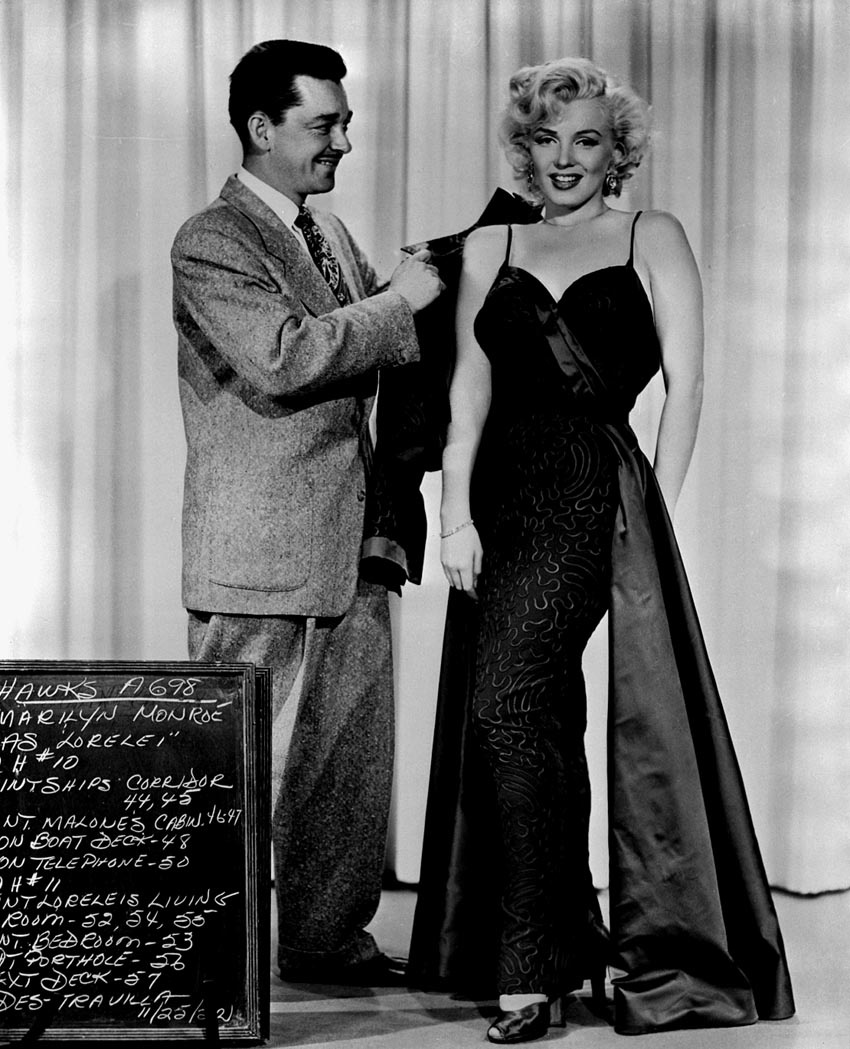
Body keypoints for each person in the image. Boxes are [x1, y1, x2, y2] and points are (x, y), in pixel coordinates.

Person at [407, 57, 794, 1040]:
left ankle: (530, 968)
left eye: (586, 138)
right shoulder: (491, 242)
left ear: (617, 148)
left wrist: (652, 506)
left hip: (593, 489)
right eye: (546, 138)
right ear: (523, 148)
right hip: (502, 497)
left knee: (506, 705)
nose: (565, 157)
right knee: (529, 717)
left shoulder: (650, 233)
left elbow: (688, 385)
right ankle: (560, 940)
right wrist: (454, 515)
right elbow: (467, 392)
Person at [171, 39, 442, 985]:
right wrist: (401, 301)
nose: (343, 143)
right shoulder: (213, 238)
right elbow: (284, 356)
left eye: (346, 124)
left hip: (352, 541)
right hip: (255, 549)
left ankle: (327, 939)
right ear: (261, 127)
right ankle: (199, 961)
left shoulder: (327, 233)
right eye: (325, 124)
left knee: (345, 760)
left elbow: (376, 343)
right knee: (225, 766)